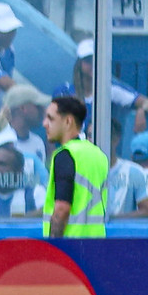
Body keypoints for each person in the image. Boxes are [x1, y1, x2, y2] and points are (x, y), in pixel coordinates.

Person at [42, 93, 108, 237]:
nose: (44, 124)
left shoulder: (65, 154)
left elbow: (61, 209)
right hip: (97, 243)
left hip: (71, 248)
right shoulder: (98, 155)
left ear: (68, 122)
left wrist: (54, 247)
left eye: (50, 118)